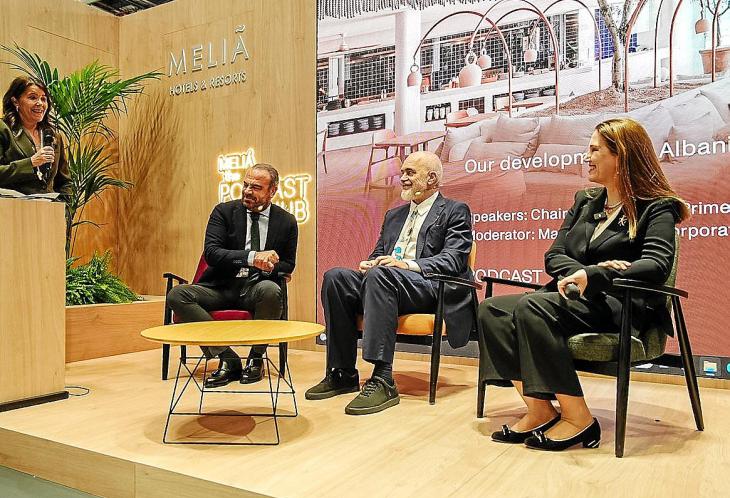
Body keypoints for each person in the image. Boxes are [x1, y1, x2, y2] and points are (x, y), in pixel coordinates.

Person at [477, 117, 690, 451]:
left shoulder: (656, 206)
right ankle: (539, 409)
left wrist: (595, 276)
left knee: (534, 306)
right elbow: (554, 255)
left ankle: (579, 419)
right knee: (492, 310)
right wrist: (583, 273)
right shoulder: (585, 200)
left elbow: (656, 264)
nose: (586, 156)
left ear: (621, 156)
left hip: (619, 305)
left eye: (594, 150)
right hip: (575, 298)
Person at [306, 151, 474, 415]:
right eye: (403, 172)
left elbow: (453, 260)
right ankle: (342, 372)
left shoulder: (455, 210)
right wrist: (371, 263)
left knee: (381, 276)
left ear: (431, 179)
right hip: (387, 282)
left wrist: (407, 265)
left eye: (410, 173)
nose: (402, 178)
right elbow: (380, 253)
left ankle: (383, 378)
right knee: (336, 277)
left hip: (430, 286)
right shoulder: (394, 215)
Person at [167, 164, 298, 388]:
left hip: (256, 288)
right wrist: (252, 257)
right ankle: (227, 357)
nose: (248, 191)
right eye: (246, 185)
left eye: (256, 187)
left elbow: (288, 263)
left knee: (271, 290)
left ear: (272, 191)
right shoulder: (224, 212)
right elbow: (212, 253)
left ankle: (256, 359)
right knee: (177, 295)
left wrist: (269, 267)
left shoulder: (286, 221)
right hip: (220, 287)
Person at [0, 76, 70, 196]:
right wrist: (31, 163)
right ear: (15, 101)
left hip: (48, 206)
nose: (40, 103)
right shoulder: (4, 129)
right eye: (32, 97)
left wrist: (64, 206)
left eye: (43, 99)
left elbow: (65, 182)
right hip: (11, 205)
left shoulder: (53, 136)